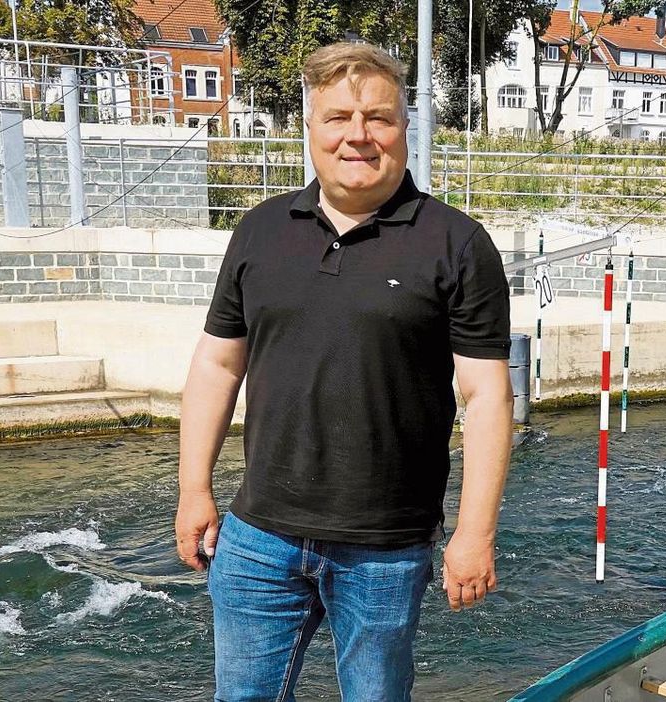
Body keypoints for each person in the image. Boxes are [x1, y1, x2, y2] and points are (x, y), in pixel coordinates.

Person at [174, 42, 513, 701]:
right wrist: (194, 489)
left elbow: (487, 397)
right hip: (257, 536)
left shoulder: (458, 244)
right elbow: (217, 365)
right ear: (311, 128)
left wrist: (475, 534)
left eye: (378, 117)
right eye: (338, 117)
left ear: (404, 126)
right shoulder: (260, 231)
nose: (358, 134)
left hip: (385, 549)